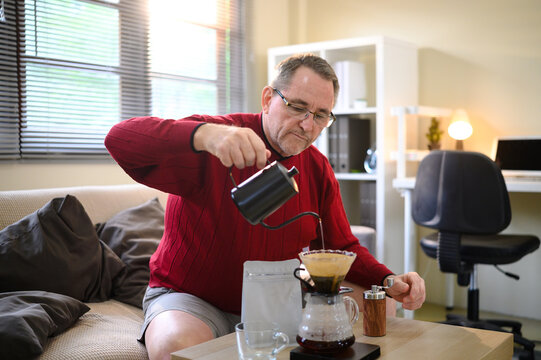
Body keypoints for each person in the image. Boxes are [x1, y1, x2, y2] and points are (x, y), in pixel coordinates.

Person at [105, 53, 425, 360]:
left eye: (321, 115)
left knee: (380, 304)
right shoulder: (217, 138)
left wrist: (387, 279)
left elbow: (340, 245)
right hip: (194, 299)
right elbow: (118, 139)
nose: (307, 125)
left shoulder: (318, 168)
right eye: (297, 107)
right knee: (176, 348)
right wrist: (206, 135)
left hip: (279, 298)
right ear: (267, 98)